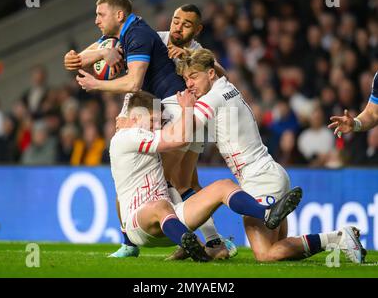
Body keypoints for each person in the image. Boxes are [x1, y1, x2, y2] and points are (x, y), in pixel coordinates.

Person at [63, 0, 233, 258]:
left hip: (183, 112)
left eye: (186, 24)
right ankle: (210, 242)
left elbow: (221, 75)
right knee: (184, 182)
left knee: (169, 182)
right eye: (176, 20)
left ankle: (164, 242)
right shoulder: (159, 37)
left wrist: (189, 54)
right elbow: (112, 42)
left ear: (197, 30)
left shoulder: (197, 51)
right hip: (169, 111)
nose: (178, 26)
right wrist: (81, 57)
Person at [175, 48, 365, 263]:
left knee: (266, 254)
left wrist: (185, 108)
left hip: (260, 181)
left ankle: (337, 238)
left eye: (193, 77)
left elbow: (182, 135)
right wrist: (202, 57)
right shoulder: (227, 86)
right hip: (270, 172)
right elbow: (221, 72)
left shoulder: (210, 100)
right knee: (280, 250)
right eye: (185, 79)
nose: (188, 84)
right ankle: (336, 238)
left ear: (210, 74)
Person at [109, 90, 301, 261]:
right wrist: (187, 109)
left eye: (159, 123)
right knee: (162, 203)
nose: (157, 127)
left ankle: (266, 213)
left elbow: (133, 93)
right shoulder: (126, 137)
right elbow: (178, 139)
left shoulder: (142, 133)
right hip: (140, 226)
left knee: (223, 186)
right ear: (134, 119)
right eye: (152, 121)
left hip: (171, 222)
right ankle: (190, 244)